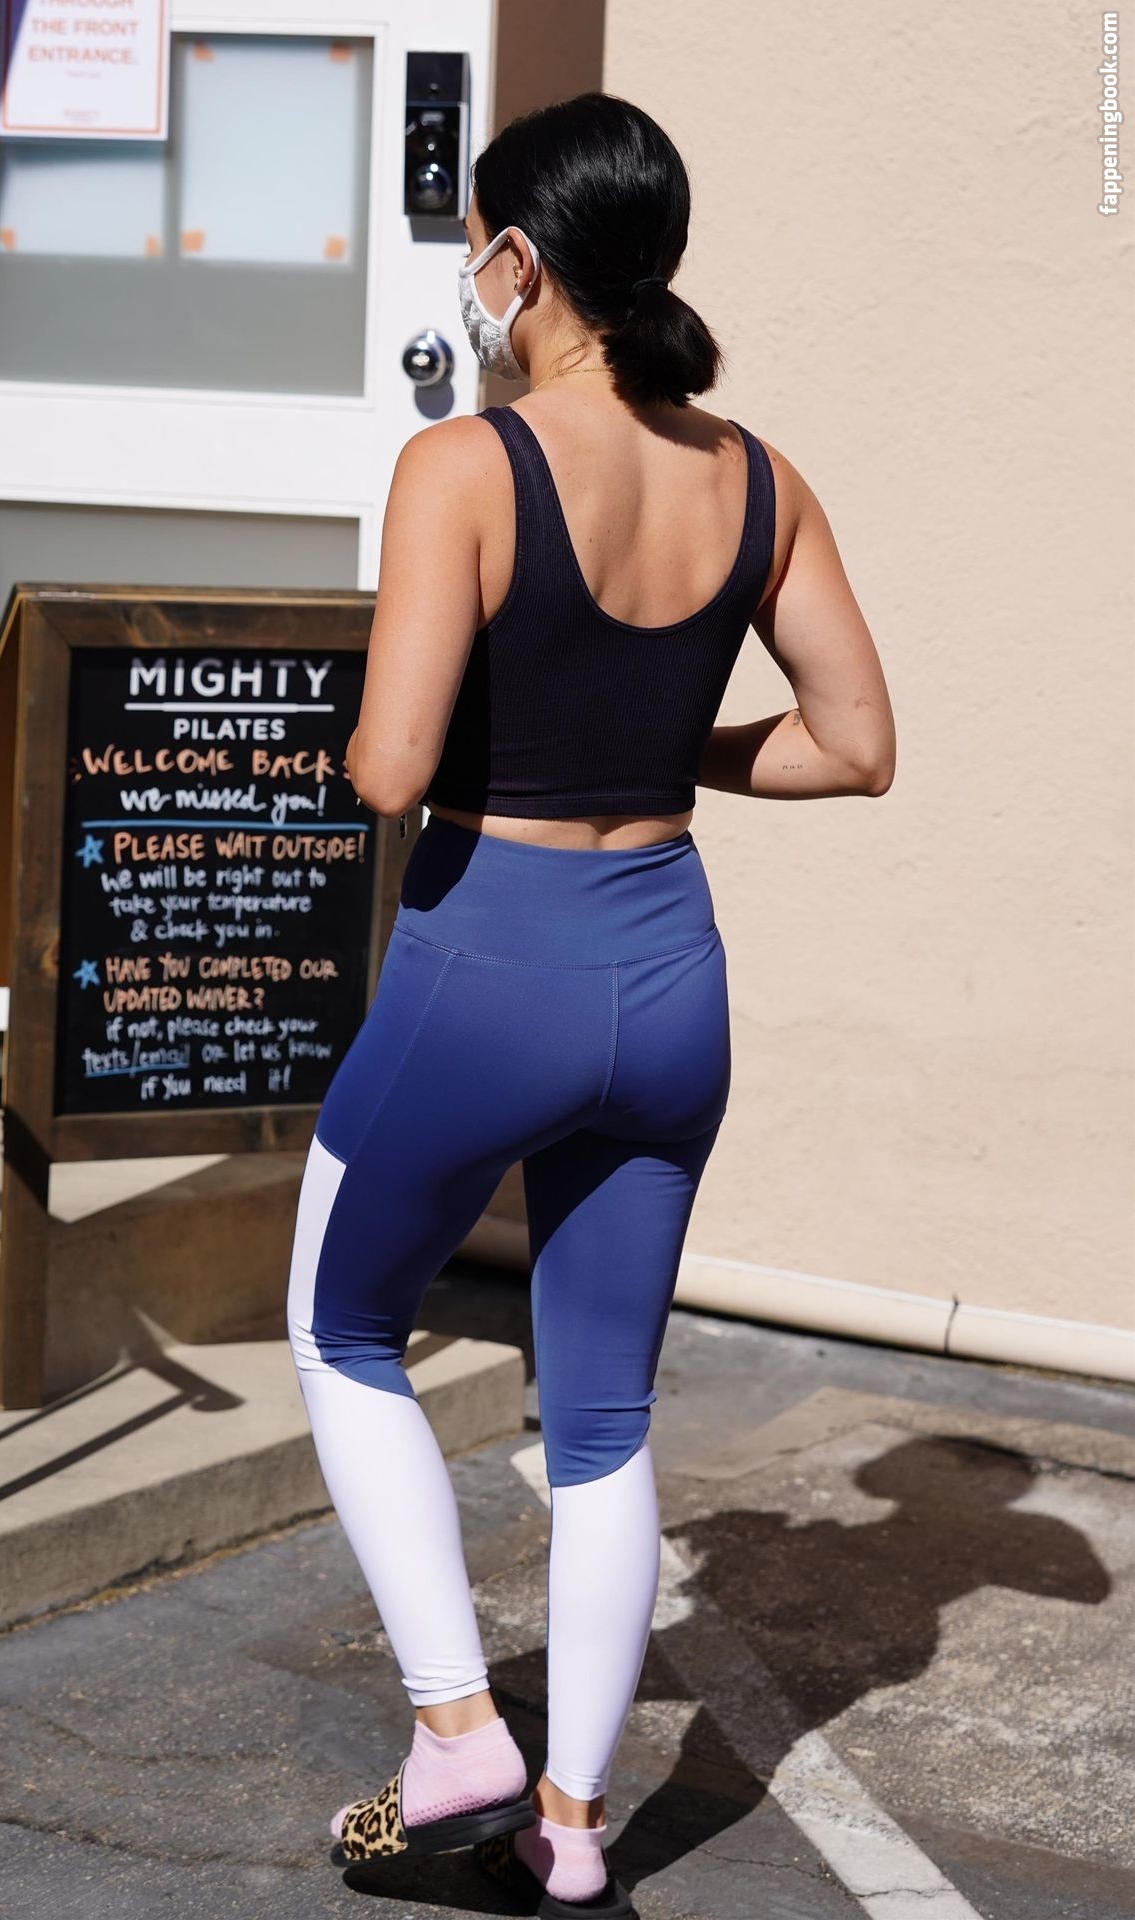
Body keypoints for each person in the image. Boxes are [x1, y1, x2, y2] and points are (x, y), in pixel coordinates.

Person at [287, 90, 895, 1918]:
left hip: (491, 959)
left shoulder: (464, 465)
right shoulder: (758, 478)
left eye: (478, 247)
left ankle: (457, 1735)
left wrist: (360, 742)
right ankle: (567, 1833)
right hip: (671, 974)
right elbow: (857, 745)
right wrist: (663, 741)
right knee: (606, 1418)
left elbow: (395, 771)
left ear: (521, 261)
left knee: (341, 1331)